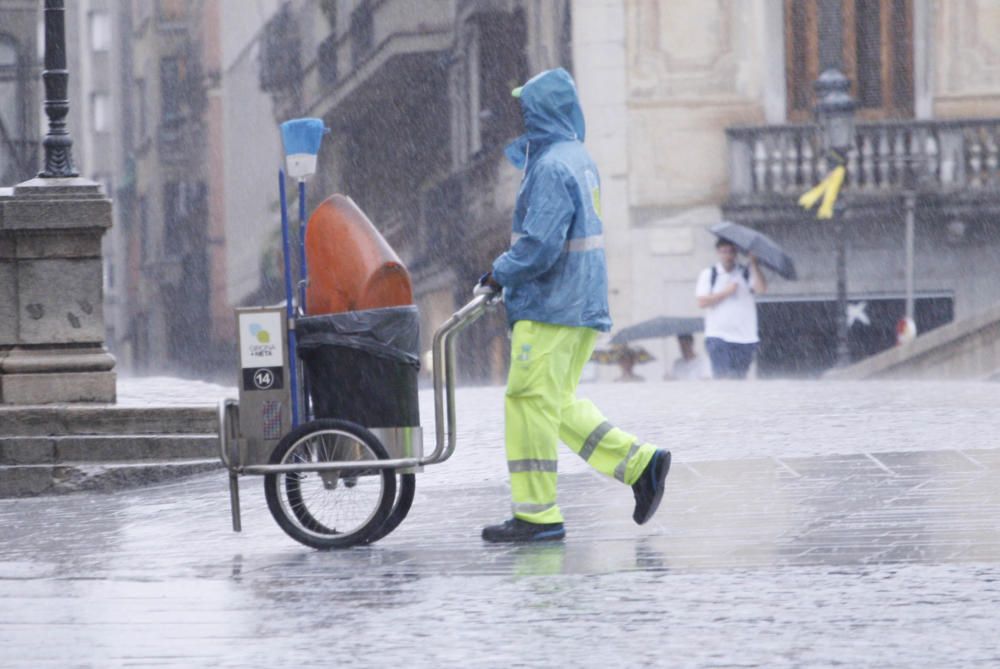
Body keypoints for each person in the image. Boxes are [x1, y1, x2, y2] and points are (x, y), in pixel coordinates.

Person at [474, 68, 671, 543]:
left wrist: (498, 272)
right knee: (554, 402)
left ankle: (536, 515)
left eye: (527, 109)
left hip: (549, 306)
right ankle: (639, 464)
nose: (521, 116)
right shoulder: (577, 158)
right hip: (579, 305)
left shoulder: (548, 168)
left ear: (541, 112)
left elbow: (540, 246)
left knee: (527, 402)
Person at [695, 238, 767, 379]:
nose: (727, 256)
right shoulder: (710, 274)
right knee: (722, 378)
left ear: (736, 254)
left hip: (744, 337)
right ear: (718, 253)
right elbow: (702, 302)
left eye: (731, 252)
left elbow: (761, 289)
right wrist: (726, 292)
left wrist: (753, 263)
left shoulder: (746, 273)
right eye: (724, 252)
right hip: (718, 336)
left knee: (738, 379)